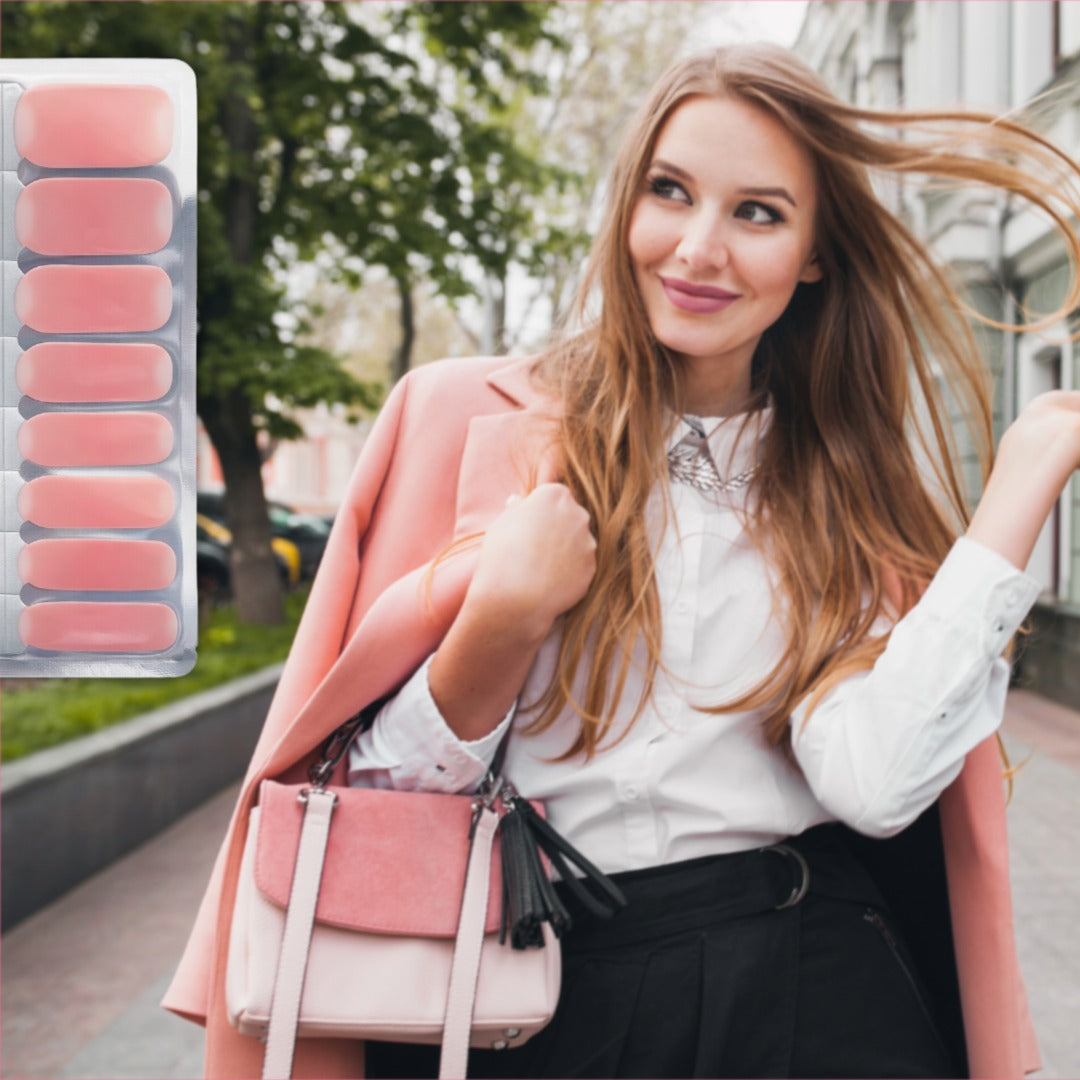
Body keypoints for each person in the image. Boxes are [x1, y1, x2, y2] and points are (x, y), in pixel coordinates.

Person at [164, 43, 1080, 1080]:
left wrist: (1021, 486)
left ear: (816, 254)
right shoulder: (460, 418)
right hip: (539, 993)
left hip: (809, 987)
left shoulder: (839, 495)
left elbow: (872, 784)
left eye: (758, 213)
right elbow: (359, 794)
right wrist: (501, 621)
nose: (697, 248)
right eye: (670, 191)